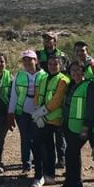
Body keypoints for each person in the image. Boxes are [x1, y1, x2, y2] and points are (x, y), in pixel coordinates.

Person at [8, 50, 48, 187]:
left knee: (37, 142)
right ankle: (27, 165)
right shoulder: (19, 75)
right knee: (26, 139)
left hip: (39, 113)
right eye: (24, 60)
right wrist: (11, 112)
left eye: (30, 59)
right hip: (22, 112)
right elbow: (14, 94)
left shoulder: (44, 76)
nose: (27, 62)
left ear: (35, 61)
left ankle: (41, 171)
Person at [58, 61, 94, 187]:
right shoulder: (71, 85)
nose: (76, 73)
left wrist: (86, 126)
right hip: (69, 125)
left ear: (83, 71)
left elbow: (91, 107)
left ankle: (74, 184)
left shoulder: (89, 86)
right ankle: (71, 183)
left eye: (78, 70)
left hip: (80, 128)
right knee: (71, 154)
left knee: (71, 153)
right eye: (73, 70)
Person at [32, 53, 69, 186]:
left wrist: (42, 113)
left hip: (53, 119)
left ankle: (44, 175)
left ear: (61, 65)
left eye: (55, 64)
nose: (52, 67)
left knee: (45, 147)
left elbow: (57, 100)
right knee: (41, 146)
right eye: (50, 64)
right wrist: (36, 111)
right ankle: (43, 174)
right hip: (40, 118)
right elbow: (38, 95)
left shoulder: (63, 80)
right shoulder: (43, 78)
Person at [37, 32, 67, 168]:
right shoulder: (39, 55)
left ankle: (62, 159)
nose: (47, 41)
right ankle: (46, 160)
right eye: (45, 38)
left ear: (55, 40)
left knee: (60, 136)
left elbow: (66, 72)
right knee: (45, 137)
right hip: (44, 87)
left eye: (50, 38)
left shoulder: (62, 55)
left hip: (59, 88)